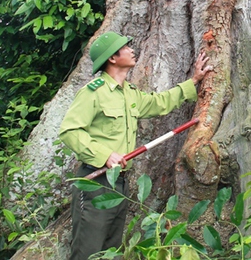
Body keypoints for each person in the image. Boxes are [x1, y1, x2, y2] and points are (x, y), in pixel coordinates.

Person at [59, 31, 213, 260]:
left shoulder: (128, 93)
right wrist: (105, 155)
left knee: (111, 251)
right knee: (88, 251)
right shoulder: (94, 92)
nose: (132, 50)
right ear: (112, 58)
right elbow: (69, 131)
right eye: (125, 47)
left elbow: (158, 103)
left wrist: (194, 82)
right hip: (95, 181)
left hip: (119, 184)